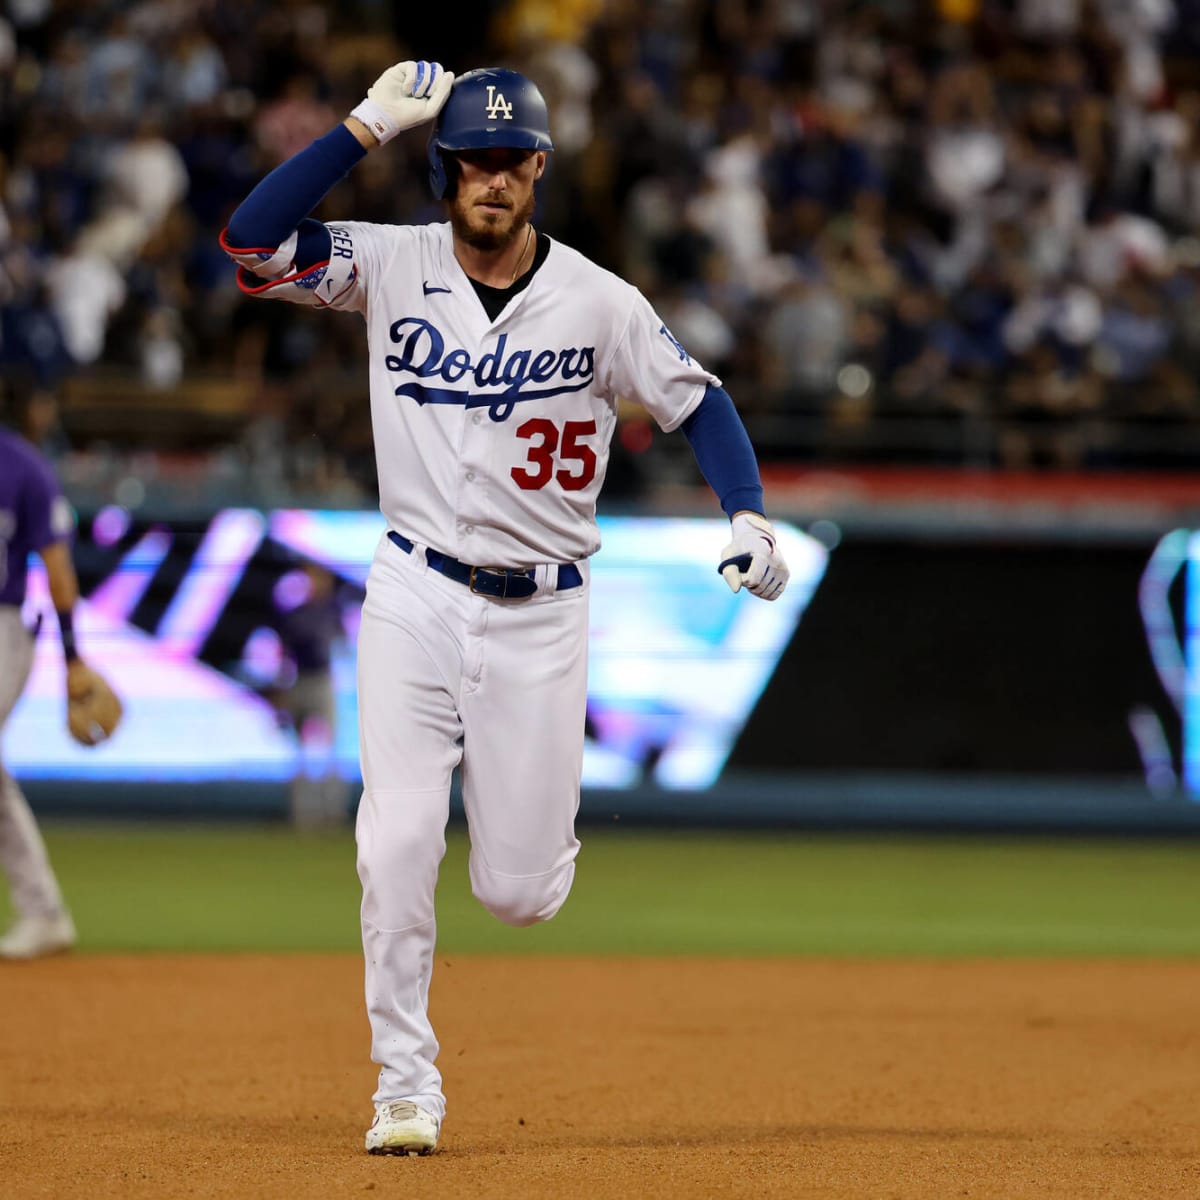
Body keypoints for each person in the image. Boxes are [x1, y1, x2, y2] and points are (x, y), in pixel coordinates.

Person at [221, 60, 790, 1156]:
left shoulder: (599, 298)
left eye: (509, 161)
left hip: (543, 616)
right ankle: (405, 1083)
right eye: (472, 161)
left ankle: (523, 842)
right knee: (392, 842)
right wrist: (362, 128)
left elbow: (702, 403)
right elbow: (250, 241)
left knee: (521, 895)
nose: (491, 179)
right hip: (413, 592)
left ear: (537, 168)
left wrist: (750, 515)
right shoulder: (388, 261)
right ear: (446, 170)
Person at [0, 396, 120, 959]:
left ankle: (44, 911)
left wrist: (73, 656)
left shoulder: (23, 468)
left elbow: (56, 566)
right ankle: (44, 911)